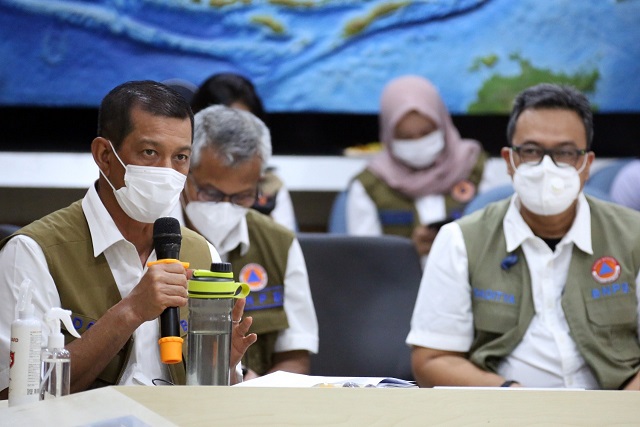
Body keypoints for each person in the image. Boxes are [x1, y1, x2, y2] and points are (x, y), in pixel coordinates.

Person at [0, 81, 257, 399]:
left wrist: (224, 371)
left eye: (180, 157)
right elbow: (15, 395)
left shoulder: (202, 252)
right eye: (150, 153)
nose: (167, 171)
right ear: (104, 155)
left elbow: (212, 401)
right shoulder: (32, 252)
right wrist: (130, 312)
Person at [406, 83, 640, 390]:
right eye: (531, 151)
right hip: (503, 415)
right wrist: (510, 398)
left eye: (566, 152)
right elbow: (432, 360)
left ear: (586, 165)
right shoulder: (459, 241)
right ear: (510, 161)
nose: (546, 166)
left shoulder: (633, 236)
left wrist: (620, 413)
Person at [173, 104, 318, 380]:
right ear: (185, 172)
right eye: (211, 193)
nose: (225, 206)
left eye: (242, 196)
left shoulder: (279, 244)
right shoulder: (153, 238)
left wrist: (252, 391)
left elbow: (296, 360)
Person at [345, 75, 488, 260]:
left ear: (442, 124)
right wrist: (409, 254)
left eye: (426, 133)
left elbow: (496, 244)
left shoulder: (473, 166)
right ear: (389, 136)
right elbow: (364, 263)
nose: (418, 142)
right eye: (405, 137)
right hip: (400, 287)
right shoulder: (369, 185)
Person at [191, 73, 298, 231]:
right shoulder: (175, 185)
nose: (236, 137)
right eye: (211, 193)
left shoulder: (271, 187)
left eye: (242, 196)